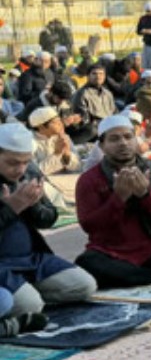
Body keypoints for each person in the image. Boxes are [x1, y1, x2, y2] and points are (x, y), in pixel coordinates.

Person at [74, 115, 151, 288]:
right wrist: (119, 198)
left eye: (128, 137)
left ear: (136, 139)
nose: (123, 143)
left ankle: (135, 275)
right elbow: (90, 226)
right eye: (114, 139)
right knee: (87, 263)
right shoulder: (89, 179)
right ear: (102, 146)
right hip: (111, 250)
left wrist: (145, 195)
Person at [0, 123, 97, 317]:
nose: (20, 169)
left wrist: (32, 203)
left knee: (85, 285)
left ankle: (25, 293)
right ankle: (24, 298)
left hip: (30, 258)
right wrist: (12, 208)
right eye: (12, 163)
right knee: (29, 306)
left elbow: (49, 218)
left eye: (25, 162)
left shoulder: (29, 173)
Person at [71, 59, 117, 144]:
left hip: (109, 125)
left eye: (101, 74)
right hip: (94, 129)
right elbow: (84, 120)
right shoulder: (82, 94)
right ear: (88, 76)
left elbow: (114, 112)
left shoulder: (107, 93)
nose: (98, 76)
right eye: (94, 74)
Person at [28, 106, 83, 176]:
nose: (61, 124)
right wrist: (57, 154)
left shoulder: (62, 136)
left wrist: (67, 155)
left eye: (60, 121)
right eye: (55, 122)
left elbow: (78, 168)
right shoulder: (29, 142)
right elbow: (34, 173)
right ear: (41, 127)